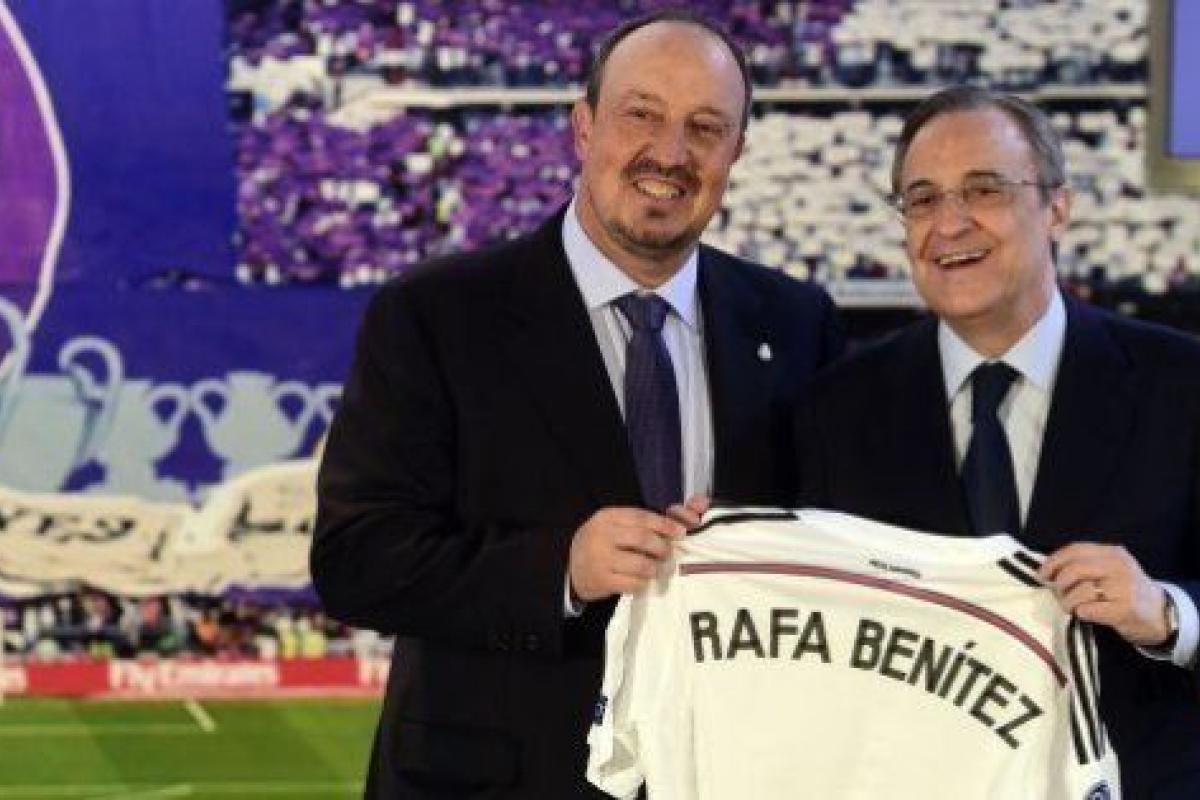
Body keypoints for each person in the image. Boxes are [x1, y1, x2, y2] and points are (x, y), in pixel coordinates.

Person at [312, 10, 842, 798]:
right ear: (584, 127)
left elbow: (839, 545)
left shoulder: (797, 323)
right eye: (642, 115)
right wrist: (561, 568)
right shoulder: (434, 315)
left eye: (705, 128)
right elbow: (357, 560)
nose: (671, 153)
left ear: (737, 151)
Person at [798, 86, 1200, 799]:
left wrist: (1168, 613)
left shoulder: (1182, 384)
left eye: (984, 190)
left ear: (1057, 208)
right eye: (922, 200)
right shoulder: (834, 410)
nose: (949, 224)